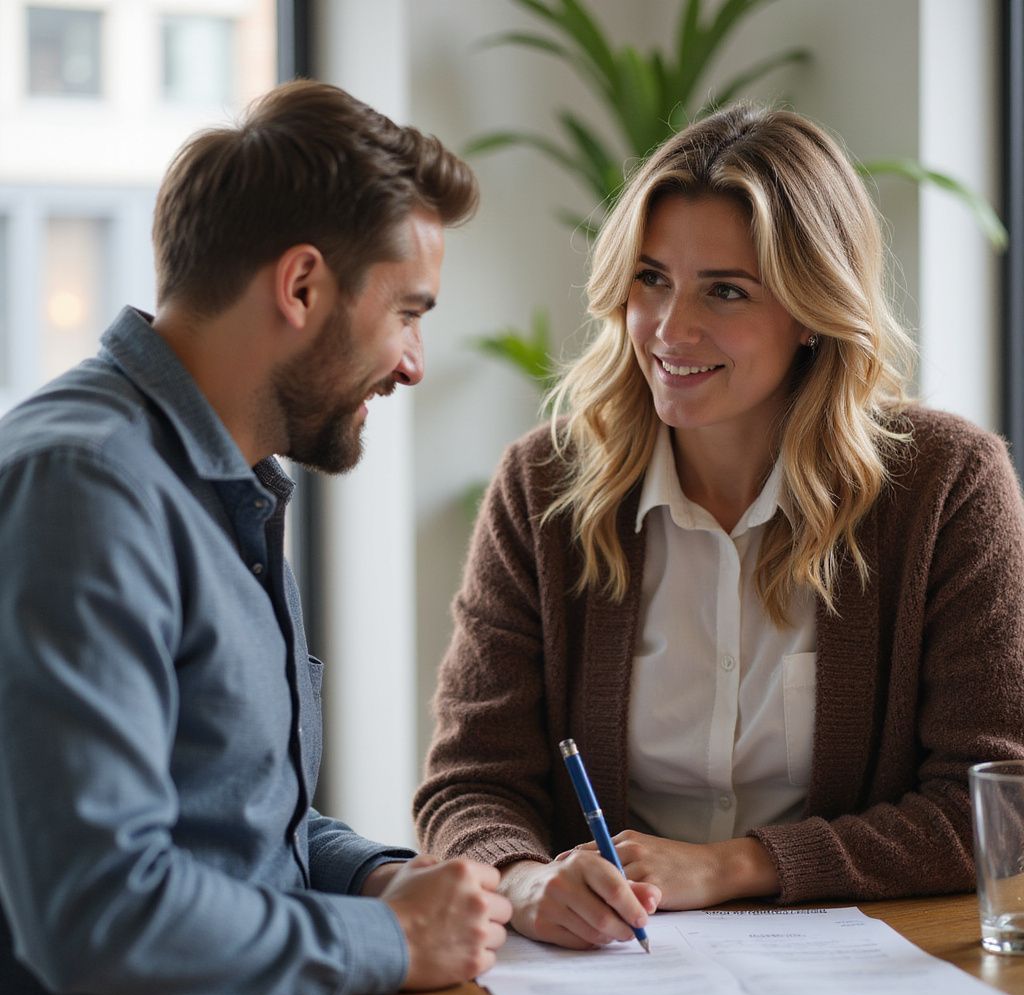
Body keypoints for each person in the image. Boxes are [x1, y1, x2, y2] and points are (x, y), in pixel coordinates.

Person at [414, 102, 1024, 951]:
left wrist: (735, 865)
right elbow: (469, 784)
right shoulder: (543, 486)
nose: (671, 329)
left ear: (812, 311)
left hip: (859, 968)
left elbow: (991, 802)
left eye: (725, 290)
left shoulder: (945, 485)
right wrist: (525, 877)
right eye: (651, 279)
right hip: (611, 974)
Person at [0, 79, 511, 995]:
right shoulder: (85, 488)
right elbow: (94, 907)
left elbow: (238, 827)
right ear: (302, 285)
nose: (413, 363)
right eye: (408, 312)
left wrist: (387, 882)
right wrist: (395, 942)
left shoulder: (230, 485)